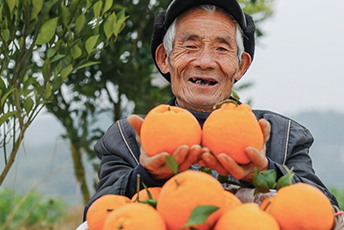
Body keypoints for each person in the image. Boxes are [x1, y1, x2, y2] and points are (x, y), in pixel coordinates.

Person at [83, 0, 339, 220]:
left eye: (221, 48)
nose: (205, 61)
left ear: (241, 66)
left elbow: (325, 211)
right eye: (190, 46)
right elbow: (98, 215)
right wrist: (147, 174)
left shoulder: (282, 136)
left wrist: (266, 172)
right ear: (164, 58)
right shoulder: (129, 137)